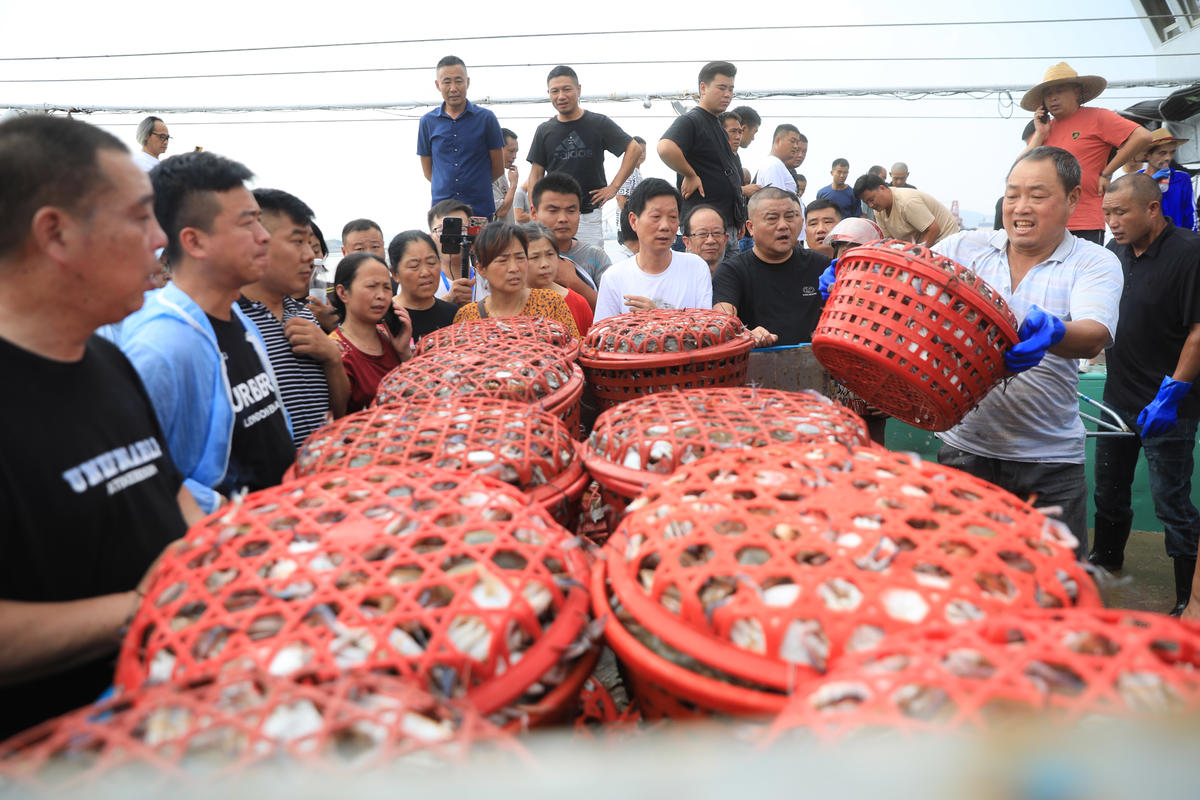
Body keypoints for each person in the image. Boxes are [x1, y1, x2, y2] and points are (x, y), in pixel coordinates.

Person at [0, 114, 196, 739]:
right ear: (55, 233)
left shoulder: (108, 359)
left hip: (171, 715)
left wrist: (220, 561)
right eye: (139, 217)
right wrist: (148, 606)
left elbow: (170, 493)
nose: (160, 238)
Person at [931, 146, 1123, 557]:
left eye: (1038, 195)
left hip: (1049, 462)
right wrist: (851, 269)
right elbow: (905, 275)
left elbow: (1094, 334)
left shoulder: (1093, 262)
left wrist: (1055, 332)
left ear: (1073, 198)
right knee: (964, 574)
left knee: (1055, 580)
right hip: (966, 450)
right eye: (1012, 194)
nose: (1021, 207)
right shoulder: (966, 248)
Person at [119, 151, 294, 514]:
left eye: (260, 222)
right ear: (194, 241)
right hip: (230, 539)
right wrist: (219, 511)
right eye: (247, 224)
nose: (264, 237)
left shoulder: (239, 318)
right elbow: (138, 473)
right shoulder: (163, 346)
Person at [1093, 173, 1200, 614]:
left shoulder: (1189, 252)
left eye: (1121, 213)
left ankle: (1188, 597)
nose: (1112, 222)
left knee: (1171, 500)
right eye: (1107, 214)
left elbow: (1198, 332)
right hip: (1118, 396)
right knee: (1108, 491)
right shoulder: (1113, 253)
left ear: (1152, 209)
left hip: (1169, 404)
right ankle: (1105, 561)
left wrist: (1171, 395)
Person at [240, 189, 349, 447]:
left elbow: (340, 411)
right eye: (297, 242)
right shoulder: (234, 322)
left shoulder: (303, 313)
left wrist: (332, 358)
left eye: (310, 244)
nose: (310, 256)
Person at [1020, 61, 1152, 244]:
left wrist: (1107, 172)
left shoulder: (1098, 117)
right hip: (1047, 221)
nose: (1053, 98)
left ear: (1076, 91)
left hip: (1085, 221)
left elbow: (1142, 136)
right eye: (1048, 94)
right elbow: (1019, 169)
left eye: (1059, 91)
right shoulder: (1044, 130)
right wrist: (1040, 135)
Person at [527, 66, 643, 249]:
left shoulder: (598, 123)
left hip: (588, 216)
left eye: (567, 89)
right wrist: (535, 210)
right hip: (553, 217)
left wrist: (613, 187)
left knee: (591, 264)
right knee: (552, 263)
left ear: (578, 89)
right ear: (548, 93)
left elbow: (633, 149)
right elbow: (536, 173)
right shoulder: (544, 130)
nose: (561, 96)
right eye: (555, 91)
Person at [713, 187, 828, 347]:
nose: (783, 225)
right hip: (756, 358)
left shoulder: (821, 265)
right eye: (772, 218)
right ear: (751, 227)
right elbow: (723, 320)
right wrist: (745, 334)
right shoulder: (732, 271)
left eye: (790, 217)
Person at [658, 61, 747, 252]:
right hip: (705, 231)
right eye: (721, 88)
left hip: (727, 226)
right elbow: (665, 148)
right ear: (703, 88)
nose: (727, 94)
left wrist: (738, 216)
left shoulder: (717, 125)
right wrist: (690, 174)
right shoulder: (692, 120)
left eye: (731, 89)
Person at [595, 178, 713, 322]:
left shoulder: (696, 267)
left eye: (673, 217)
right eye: (656, 217)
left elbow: (706, 329)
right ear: (633, 221)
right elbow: (603, 333)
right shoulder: (613, 278)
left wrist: (659, 317)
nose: (665, 226)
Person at [817, 216, 890, 444]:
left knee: (872, 444)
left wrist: (889, 397)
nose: (848, 255)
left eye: (856, 249)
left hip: (874, 383)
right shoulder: (832, 276)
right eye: (843, 250)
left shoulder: (888, 288)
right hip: (836, 378)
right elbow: (826, 288)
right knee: (836, 442)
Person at [451, 221, 581, 337]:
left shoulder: (550, 303)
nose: (514, 268)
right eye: (503, 260)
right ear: (481, 268)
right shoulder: (469, 316)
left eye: (520, 258)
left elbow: (573, 349)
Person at [417, 55, 505, 218]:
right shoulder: (428, 122)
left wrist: (477, 185)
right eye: (447, 82)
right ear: (438, 85)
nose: (453, 88)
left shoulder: (486, 119)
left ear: (467, 82)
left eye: (458, 81)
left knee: (482, 237)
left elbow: (498, 167)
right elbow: (428, 172)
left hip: (479, 210)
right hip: (442, 211)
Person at [329, 252, 413, 412]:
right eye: (371, 286)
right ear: (343, 293)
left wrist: (404, 353)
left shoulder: (389, 338)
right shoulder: (334, 351)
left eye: (387, 287)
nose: (381, 296)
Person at [531, 172, 604, 307]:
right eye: (553, 211)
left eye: (571, 211)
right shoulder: (520, 256)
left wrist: (573, 282)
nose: (563, 219)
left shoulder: (595, 256)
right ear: (534, 213)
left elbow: (612, 309)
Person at [387, 230, 459, 346]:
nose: (425, 272)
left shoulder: (454, 314)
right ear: (395, 274)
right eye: (414, 266)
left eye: (431, 263)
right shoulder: (385, 318)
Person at [522, 221, 594, 335]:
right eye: (535, 257)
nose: (545, 264)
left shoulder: (577, 303)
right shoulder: (509, 303)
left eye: (550, 254)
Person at [854, 173, 960, 246]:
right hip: (920, 244)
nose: (871, 205)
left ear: (882, 188)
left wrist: (917, 255)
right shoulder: (879, 210)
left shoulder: (907, 202)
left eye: (871, 199)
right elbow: (889, 240)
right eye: (866, 202)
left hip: (945, 240)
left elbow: (934, 229)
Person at [1139, 127, 1195, 231]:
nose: (1168, 158)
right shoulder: (1134, 181)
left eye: (1172, 152)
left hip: (1177, 238)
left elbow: (1190, 214)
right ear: (1147, 155)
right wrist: (1149, 184)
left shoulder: (1182, 178)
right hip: (1147, 238)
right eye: (1162, 153)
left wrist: (1190, 238)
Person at [427, 198, 481, 305]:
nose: (453, 237)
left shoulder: (487, 280)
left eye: (462, 229)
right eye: (443, 230)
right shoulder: (423, 280)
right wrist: (448, 300)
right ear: (430, 238)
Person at [755, 125, 805, 196]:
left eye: (797, 143)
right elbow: (775, 199)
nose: (796, 146)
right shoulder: (773, 164)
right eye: (792, 141)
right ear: (778, 141)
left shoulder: (777, 164)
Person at [683, 205, 729, 276]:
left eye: (716, 233)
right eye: (702, 234)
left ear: (725, 239)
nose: (710, 240)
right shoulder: (676, 279)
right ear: (687, 242)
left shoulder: (736, 278)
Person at [493, 128, 520, 223]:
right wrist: (513, 185)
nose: (514, 156)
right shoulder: (488, 175)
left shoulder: (501, 174)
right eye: (511, 151)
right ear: (498, 149)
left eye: (516, 152)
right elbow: (501, 211)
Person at [615, 136, 647, 212]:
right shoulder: (629, 172)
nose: (641, 154)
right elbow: (620, 197)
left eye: (644, 150)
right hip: (629, 218)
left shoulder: (636, 173)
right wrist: (628, 217)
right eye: (638, 150)